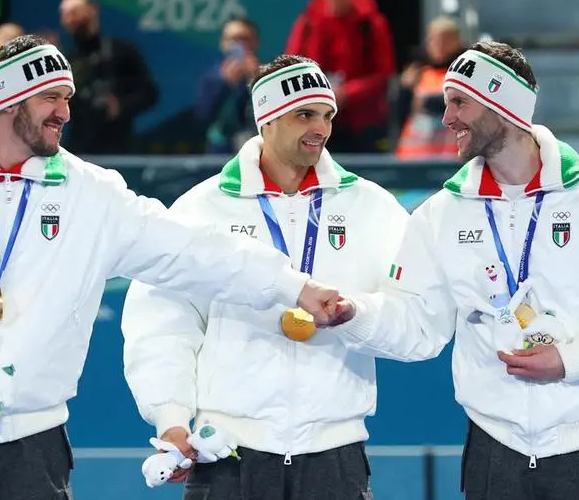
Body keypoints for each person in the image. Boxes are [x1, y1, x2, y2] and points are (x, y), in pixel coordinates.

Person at [0, 36, 340, 500]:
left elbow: (195, 251)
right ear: (9, 100)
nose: (65, 112)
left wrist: (292, 286)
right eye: (51, 98)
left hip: (36, 446)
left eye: (68, 98)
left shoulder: (92, 195)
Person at [328, 41, 579, 500]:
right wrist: (356, 313)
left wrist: (571, 361)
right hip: (494, 455)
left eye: (459, 102)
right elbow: (416, 323)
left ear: (502, 103)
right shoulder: (441, 215)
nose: (446, 117)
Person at [122, 54, 410, 500]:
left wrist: (359, 315)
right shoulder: (202, 209)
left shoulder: (372, 209)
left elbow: (414, 320)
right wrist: (171, 416)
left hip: (336, 453)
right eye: (304, 114)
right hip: (228, 453)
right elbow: (160, 325)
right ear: (267, 119)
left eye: (327, 115)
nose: (321, 127)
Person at [285, 0, 395, 153]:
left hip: (362, 122)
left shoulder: (371, 24)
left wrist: (347, 93)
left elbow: (383, 74)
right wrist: (320, 93)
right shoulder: (308, 23)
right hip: (314, 118)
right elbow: (291, 67)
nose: (334, 0)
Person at [58, 0, 158, 154]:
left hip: (120, 147)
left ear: (93, 9)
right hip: (80, 146)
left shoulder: (121, 51)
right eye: (65, 14)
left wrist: (121, 105)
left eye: (75, 12)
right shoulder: (65, 60)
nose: (70, 19)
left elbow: (150, 93)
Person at [394, 16, 464, 160]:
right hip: (415, 155)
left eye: (446, 39)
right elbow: (399, 114)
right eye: (434, 39)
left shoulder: (463, 74)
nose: (439, 45)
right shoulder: (416, 73)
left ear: (457, 42)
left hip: (450, 156)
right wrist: (405, 90)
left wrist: (427, 102)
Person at [195, 17, 260, 154]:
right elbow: (203, 118)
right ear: (223, 43)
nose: (239, 45)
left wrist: (256, 79)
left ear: (255, 42)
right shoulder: (212, 79)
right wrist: (225, 85)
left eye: (244, 39)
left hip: (258, 151)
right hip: (220, 155)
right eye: (232, 40)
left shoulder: (268, 75)